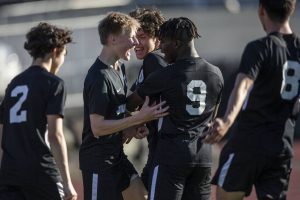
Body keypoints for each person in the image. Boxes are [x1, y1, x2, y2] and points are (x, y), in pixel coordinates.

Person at [204, 0, 300, 199]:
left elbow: (244, 85)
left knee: (225, 196)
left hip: (248, 143)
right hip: (281, 146)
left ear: (261, 10)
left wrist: (227, 122)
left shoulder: (260, 47)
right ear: (293, 9)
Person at [127, 17, 224, 200]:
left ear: (177, 43)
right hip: (203, 157)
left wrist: (137, 118)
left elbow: (130, 103)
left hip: (170, 156)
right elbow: (212, 117)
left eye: (164, 42)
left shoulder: (165, 75)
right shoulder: (216, 73)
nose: (161, 48)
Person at [79, 12, 169, 200]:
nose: (136, 42)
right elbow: (97, 127)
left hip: (116, 156)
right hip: (98, 162)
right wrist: (139, 118)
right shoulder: (99, 77)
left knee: (141, 196)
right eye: (132, 37)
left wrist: (132, 126)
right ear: (113, 39)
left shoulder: (119, 68)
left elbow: (117, 111)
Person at [0, 22, 77, 200]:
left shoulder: (13, 85)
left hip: (10, 173)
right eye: (64, 54)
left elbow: (2, 134)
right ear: (55, 51)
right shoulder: (53, 83)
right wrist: (67, 183)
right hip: (41, 172)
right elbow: (55, 135)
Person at [128, 7, 167, 190]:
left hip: (165, 151)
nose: (136, 43)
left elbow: (132, 101)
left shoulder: (154, 60)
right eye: (135, 37)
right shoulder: (150, 63)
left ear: (157, 38)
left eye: (142, 37)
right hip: (161, 149)